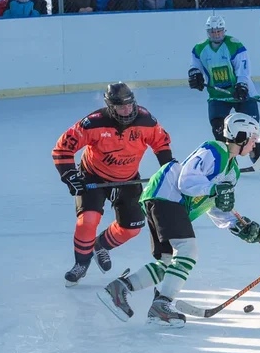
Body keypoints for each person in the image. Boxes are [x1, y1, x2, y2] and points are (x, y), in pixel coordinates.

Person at [97, 113, 260, 327]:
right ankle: (162, 304)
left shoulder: (232, 171)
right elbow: (186, 181)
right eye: (253, 138)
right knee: (188, 250)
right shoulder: (214, 150)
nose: (255, 144)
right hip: (167, 195)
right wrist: (214, 189)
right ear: (240, 136)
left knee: (167, 264)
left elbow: (213, 204)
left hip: (167, 202)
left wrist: (238, 226)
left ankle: (119, 288)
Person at [52, 83, 173, 285]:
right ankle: (81, 264)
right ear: (110, 106)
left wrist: (168, 170)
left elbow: (161, 143)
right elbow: (62, 149)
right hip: (93, 177)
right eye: (120, 107)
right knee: (87, 221)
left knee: (132, 228)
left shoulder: (146, 121)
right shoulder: (93, 123)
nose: (126, 110)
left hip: (128, 179)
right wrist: (70, 176)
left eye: (129, 105)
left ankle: (99, 246)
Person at [187, 15, 260, 167]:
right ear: (208, 32)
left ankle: (256, 156)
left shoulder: (235, 45)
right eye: (212, 31)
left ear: (224, 30)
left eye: (219, 31)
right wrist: (195, 75)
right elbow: (194, 66)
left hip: (242, 93)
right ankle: (228, 162)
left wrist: (242, 86)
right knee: (218, 128)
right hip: (218, 95)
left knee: (252, 126)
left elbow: (243, 70)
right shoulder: (199, 49)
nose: (216, 34)